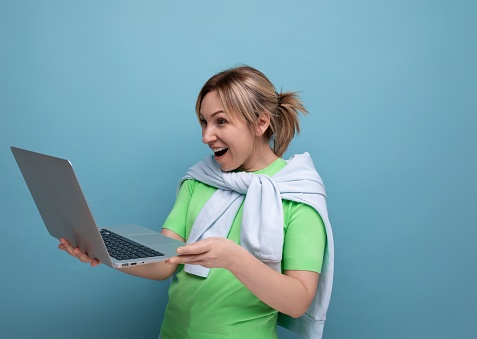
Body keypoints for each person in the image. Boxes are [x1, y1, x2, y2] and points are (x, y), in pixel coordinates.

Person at [58, 65, 333, 339]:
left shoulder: (298, 195)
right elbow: (162, 263)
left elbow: (298, 302)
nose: (206, 137)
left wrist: (234, 259)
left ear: (260, 123)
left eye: (220, 121)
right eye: (204, 122)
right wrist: (99, 248)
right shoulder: (199, 180)